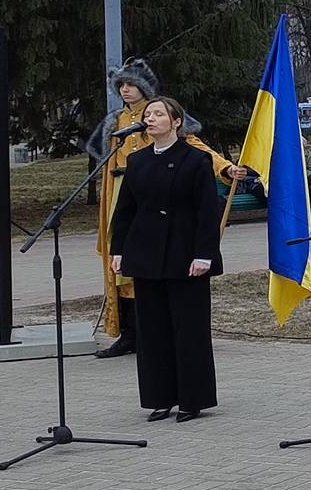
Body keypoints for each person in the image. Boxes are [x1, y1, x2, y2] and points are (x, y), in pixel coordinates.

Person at [90, 58, 243, 357]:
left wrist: (224, 168)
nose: (125, 90)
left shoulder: (162, 115)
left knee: (148, 264)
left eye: (131, 84)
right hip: (122, 190)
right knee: (121, 265)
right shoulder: (117, 121)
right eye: (121, 85)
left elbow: (196, 148)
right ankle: (129, 332)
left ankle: (158, 332)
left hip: (159, 192)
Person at [108, 97, 223, 421]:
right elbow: (126, 210)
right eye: (148, 114)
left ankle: (192, 398)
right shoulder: (137, 160)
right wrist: (119, 250)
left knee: (188, 329)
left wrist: (204, 254)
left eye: (159, 114)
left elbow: (207, 211)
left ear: (176, 121)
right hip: (146, 254)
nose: (151, 118)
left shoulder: (195, 160)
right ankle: (160, 397)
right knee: (152, 330)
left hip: (185, 254)